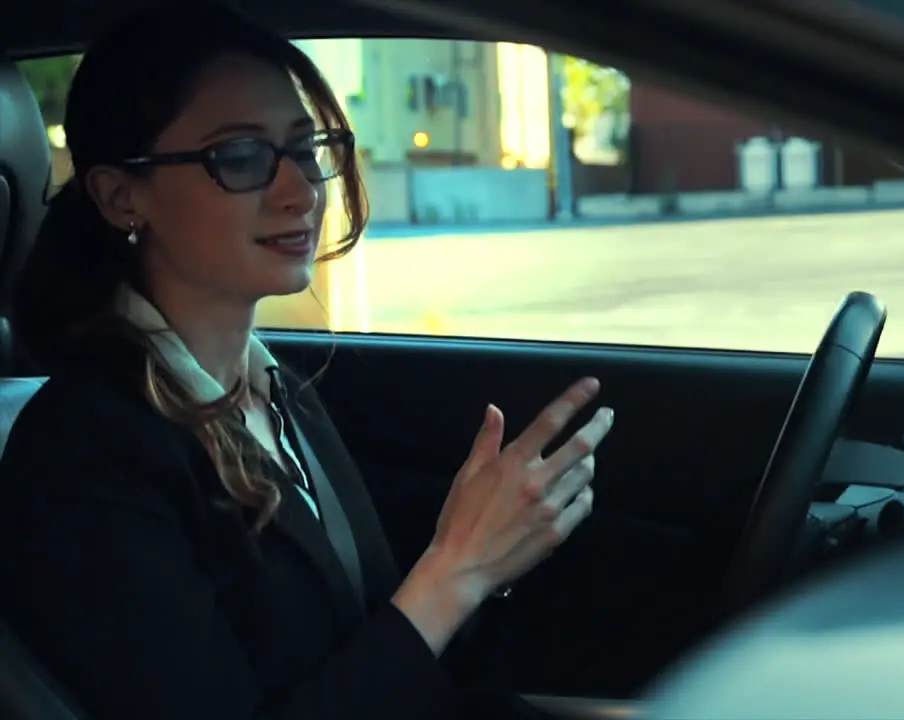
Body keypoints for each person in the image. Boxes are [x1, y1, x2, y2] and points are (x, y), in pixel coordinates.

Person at [0, 5, 614, 719]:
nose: (300, 190)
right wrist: (455, 570)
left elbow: (373, 656)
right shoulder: (88, 449)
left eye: (304, 147)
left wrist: (485, 558)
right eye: (239, 157)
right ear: (119, 195)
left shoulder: (274, 390)